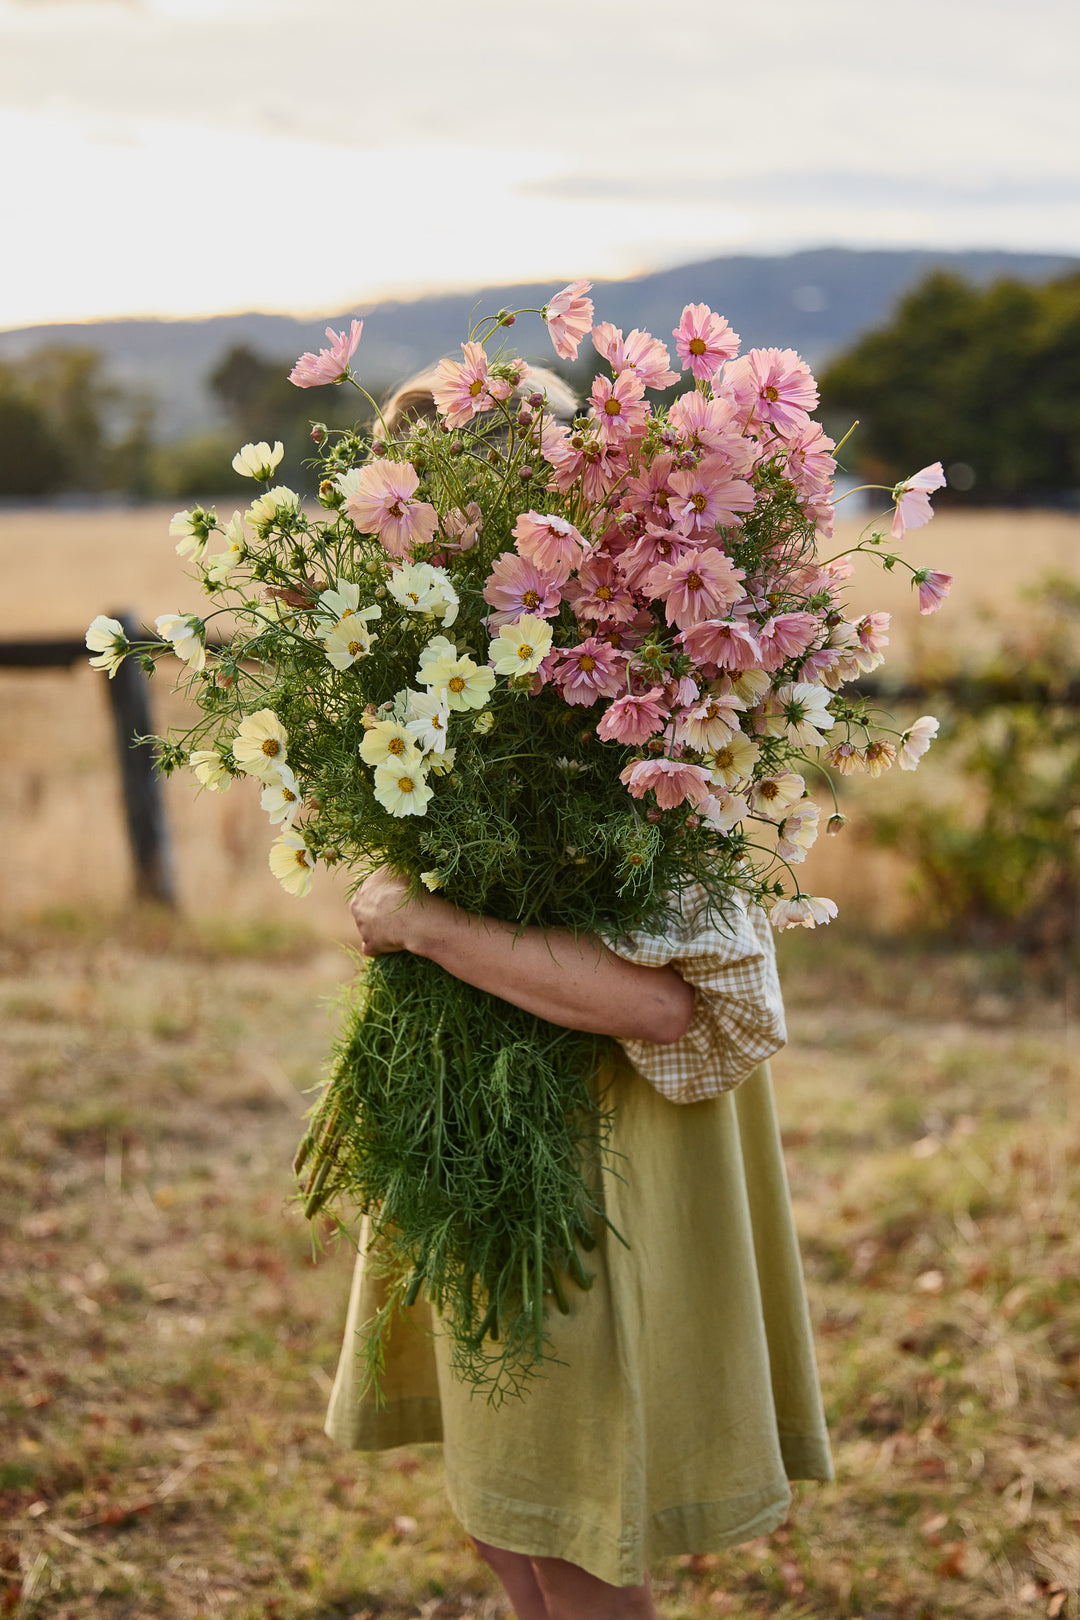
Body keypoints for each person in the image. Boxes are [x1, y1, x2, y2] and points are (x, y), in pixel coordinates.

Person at [322, 368, 833, 1620]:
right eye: (411, 498)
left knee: (571, 1521)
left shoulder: (645, 694)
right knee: (505, 1510)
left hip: (604, 1142)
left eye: (463, 488)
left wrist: (424, 922)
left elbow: (663, 1007)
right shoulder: (441, 664)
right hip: (475, 1111)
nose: (430, 519)